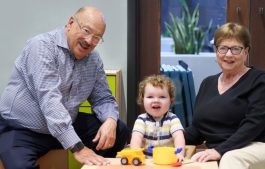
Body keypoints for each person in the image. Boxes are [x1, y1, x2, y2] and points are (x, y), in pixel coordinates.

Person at [0, 6, 130, 168]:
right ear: (70, 23)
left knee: (118, 130)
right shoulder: (41, 47)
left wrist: (110, 120)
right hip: (22, 128)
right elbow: (50, 102)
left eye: (97, 37)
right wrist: (77, 147)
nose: (89, 41)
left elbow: (103, 98)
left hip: (67, 122)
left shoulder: (94, 60)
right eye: (86, 30)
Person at [184, 22, 265, 169]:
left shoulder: (260, 80)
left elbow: (254, 124)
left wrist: (219, 150)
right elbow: (198, 129)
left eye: (236, 49)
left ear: (246, 52)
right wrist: (167, 134)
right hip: (229, 150)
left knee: (232, 159)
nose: (228, 54)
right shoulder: (207, 83)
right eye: (223, 48)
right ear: (216, 51)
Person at [130, 75, 185, 161]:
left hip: (168, 161)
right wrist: (135, 154)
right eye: (150, 97)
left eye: (162, 97)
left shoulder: (173, 119)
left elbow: (179, 137)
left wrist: (179, 154)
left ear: (170, 100)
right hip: (147, 162)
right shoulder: (141, 120)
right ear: (142, 99)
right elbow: (136, 138)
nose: (156, 100)